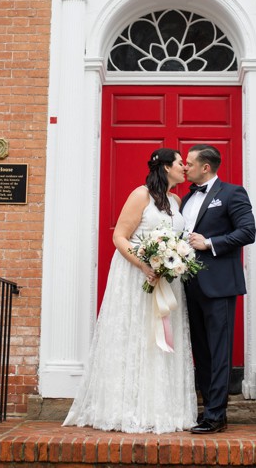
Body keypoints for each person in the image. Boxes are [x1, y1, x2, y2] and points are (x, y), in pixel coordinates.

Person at [63, 147, 197, 434]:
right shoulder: (140, 196)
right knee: (136, 336)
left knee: (161, 340)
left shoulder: (176, 200)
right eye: (179, 163)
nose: (184, 167)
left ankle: (161, 408)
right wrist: (145, 265)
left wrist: (174, 260)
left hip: (167, 279)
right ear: (164, 168)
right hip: (137, 278)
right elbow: (119, 237)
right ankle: (125, 408)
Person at [181, 144, 256, 434]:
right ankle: (206, 409)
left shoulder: (232, 193)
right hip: (187, 284)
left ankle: (216, 415)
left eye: (189, 163)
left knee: (219, 350)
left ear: (206, 167)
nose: (184, 167)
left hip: (219, 285)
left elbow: (247, 231)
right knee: (201, 351)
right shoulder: (186, 198)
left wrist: (210, 243)